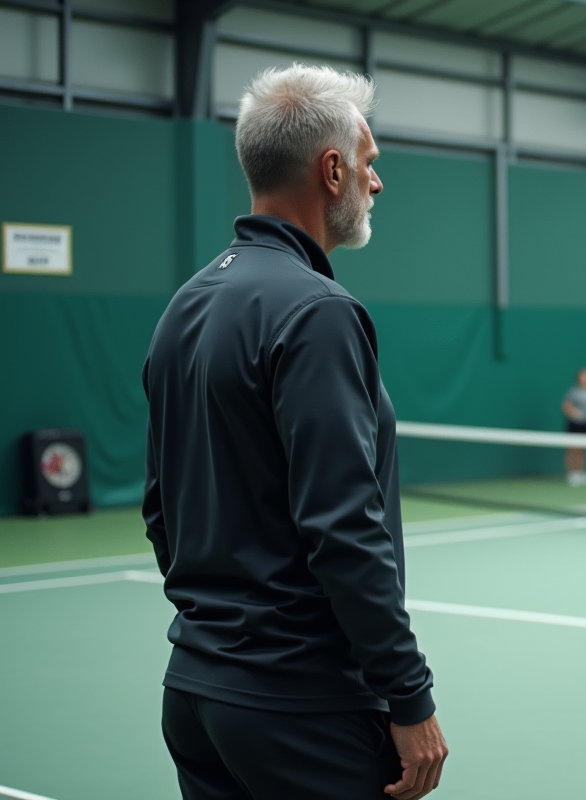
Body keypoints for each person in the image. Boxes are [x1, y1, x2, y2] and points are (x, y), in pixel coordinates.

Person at [142, 65, 448, 799]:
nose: (377, 184)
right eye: (370, 164)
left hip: (195, 698)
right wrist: (408, 696)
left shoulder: (184, 306)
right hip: (304, 711)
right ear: (333, 167)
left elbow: (161, 509)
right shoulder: (319, 311)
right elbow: (344, 528)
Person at [562, 367, 586, 486]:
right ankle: (571, 474)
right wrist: (574, 413)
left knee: (583, 448)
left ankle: (580, 472)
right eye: (584, 376)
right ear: (579, 378)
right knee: (573, 448)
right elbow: (565, 405)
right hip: (574, 423)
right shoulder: (573, 391)